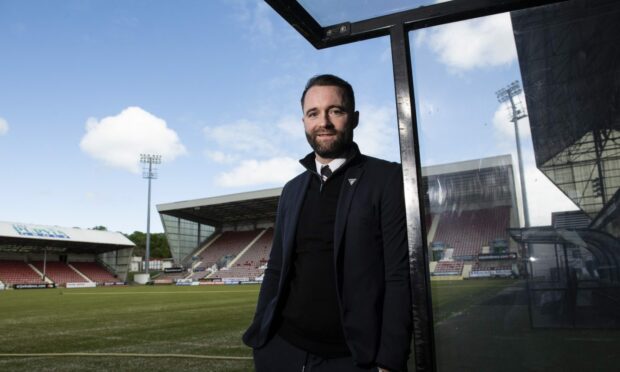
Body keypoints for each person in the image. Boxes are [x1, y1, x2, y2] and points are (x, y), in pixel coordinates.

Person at [243, 74, 412, 372]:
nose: (324, 122)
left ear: (354, 118)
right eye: (313, 113)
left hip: (351, 359)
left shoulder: (386, 178)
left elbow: (398, 275)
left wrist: (389, 361)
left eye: (336, 110)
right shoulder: (292, 189)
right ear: (304, 122)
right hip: (282, 351)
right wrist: (263, 339)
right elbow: (277, 268)